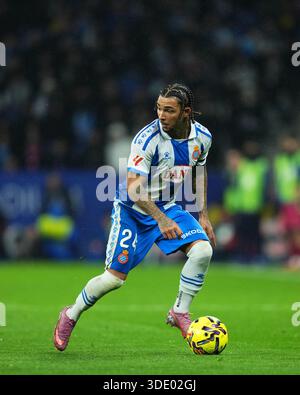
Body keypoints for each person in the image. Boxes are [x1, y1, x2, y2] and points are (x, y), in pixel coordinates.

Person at [53, 83, 216, 351]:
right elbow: (133, 187)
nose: (161, 115)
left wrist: (203, 214)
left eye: (169, 110)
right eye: (159, 108)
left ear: (186, 113)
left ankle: (179, 312)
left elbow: (200, 171)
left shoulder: (203, 137)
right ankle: (70, 314)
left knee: (202, 252)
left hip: (167, 207)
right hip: (132, 210)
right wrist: (161, 220)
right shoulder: (147, 139)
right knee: (114, 279)